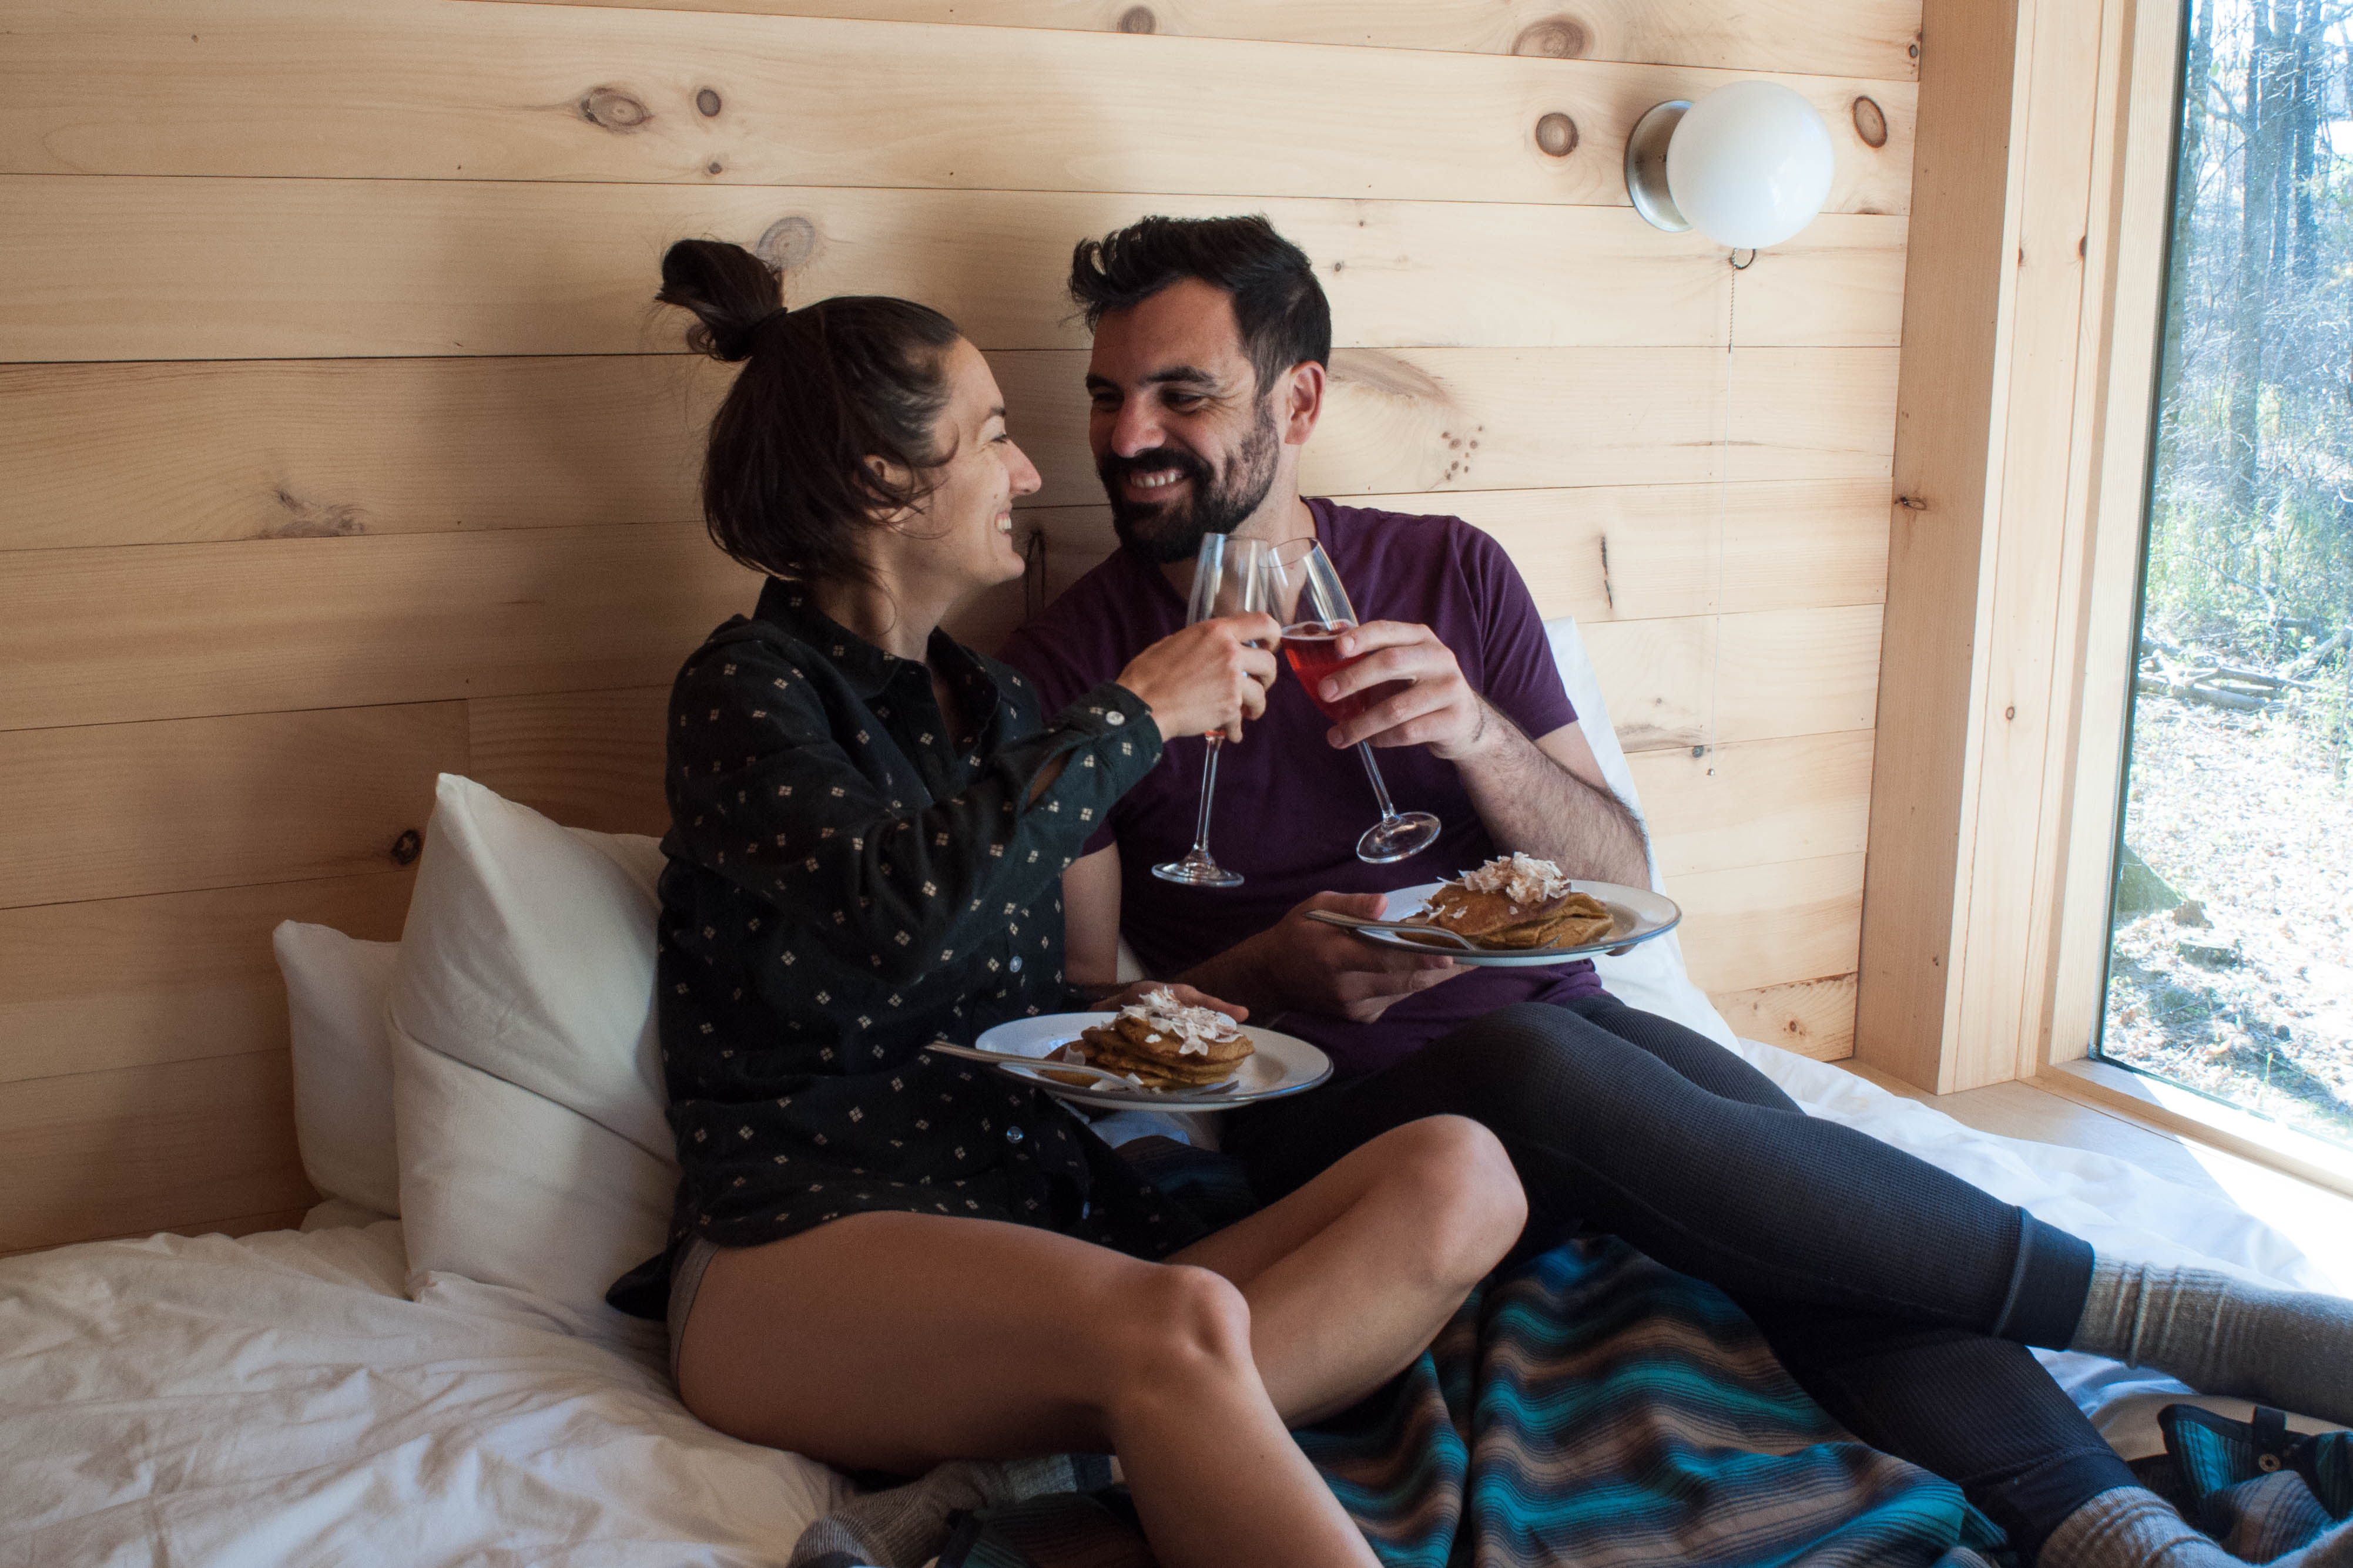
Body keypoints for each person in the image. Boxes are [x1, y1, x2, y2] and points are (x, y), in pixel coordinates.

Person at [1000, 214, 2353, 1568]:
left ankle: (2126, 1544)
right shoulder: (1078, 670)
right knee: (1543, 1060)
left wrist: (1477, 733)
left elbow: (1619, 877)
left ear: (1298, 400)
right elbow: (1084, 1016)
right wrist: (1266, 978)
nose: (1126, 439)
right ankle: (2204, 1325)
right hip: (1340, 1121)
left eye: (1183, 394)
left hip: (1594, 1061)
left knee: (1819, 1217)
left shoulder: (1451, 574)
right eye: (1108, 397)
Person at [601, 237, 1530, 1568]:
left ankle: (1029, 1502)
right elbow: (896, 912)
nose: (1035, 470)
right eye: (992, 434)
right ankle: (1131, 1448)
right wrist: (1136, 715)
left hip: (1037, 1221)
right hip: (800, 1247)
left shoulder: (996, 706)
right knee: (1177, 1328)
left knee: (1464, 1173)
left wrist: (1238, 985)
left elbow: (1035, 1012)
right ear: (883, 480)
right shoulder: (751, 691)